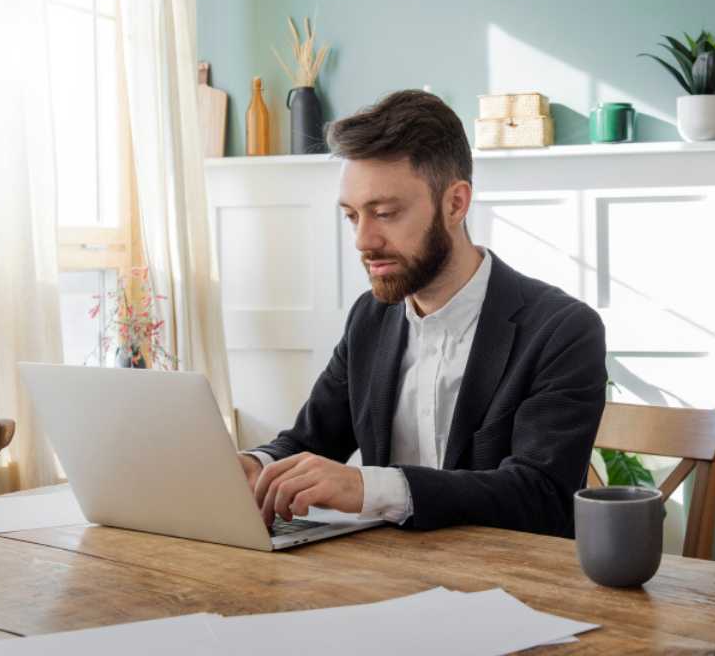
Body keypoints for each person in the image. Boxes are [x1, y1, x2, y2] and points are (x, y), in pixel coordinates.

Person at [236, 90, 607, 537]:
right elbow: (308, 442)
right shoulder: (370, 318)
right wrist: (255, 465)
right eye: (352, 216)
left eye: (386, 213)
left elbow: (539, 495)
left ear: (455, 203)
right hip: (391, 581)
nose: (363, 240)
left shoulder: (562, 330)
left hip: (511, 588)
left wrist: (368, 487)